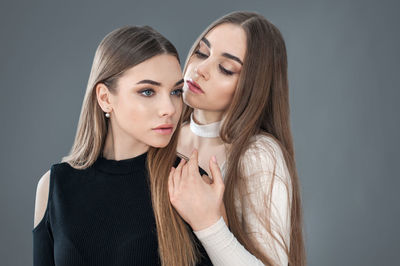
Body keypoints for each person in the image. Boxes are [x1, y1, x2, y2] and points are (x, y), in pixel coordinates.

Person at [33, 25, 213, 266]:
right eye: (148, 91)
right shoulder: (54, 188)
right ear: (105, 98)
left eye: (175, 92)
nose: (169, 109)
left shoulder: (190, 185)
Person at [168, 11, 306, 265]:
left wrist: (209, 224)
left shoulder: (258, 156)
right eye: (201, 52)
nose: (200, 70)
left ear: (252, 87)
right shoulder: (163, 135)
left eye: (226, 68)